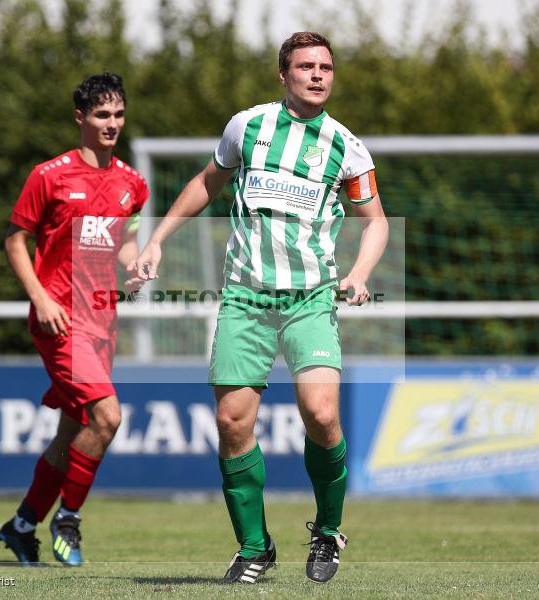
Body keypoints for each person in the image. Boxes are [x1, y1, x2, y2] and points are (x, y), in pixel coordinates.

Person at [135, 31, 389, 585]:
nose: (318, 75)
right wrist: (157, 239)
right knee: (231, 422)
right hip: (245, 297)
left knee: (321, 415)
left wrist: (361, 274)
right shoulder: (247, 126)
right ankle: (254, 548)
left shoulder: (347, 146)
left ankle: (327, 532)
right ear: (284, 75)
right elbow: (208, 181)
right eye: (306, 67)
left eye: (326, 67)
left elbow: (377, 222)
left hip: (311, 298)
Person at [0, 72, 148, 566]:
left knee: (72, 432)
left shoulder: (133, 183)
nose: (112, 124)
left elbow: (124, 239)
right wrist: (40, 297)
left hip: (103, 321)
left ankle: (22, 526)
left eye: (118, 114)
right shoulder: (50, 175)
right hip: (60, 320)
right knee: (107, 416)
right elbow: (15, 241)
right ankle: (70, 519)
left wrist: (136, 263)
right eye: (102, 115)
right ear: (80, 117)